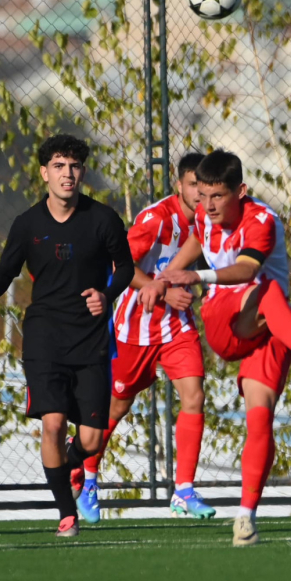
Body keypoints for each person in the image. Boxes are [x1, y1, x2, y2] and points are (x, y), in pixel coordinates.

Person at [144, 149, 291, 546]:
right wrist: (166, 277)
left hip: (271, 329)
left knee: (260, 419)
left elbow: (247, 268)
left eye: (217, 196)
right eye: (202, 195)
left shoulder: (262, 220)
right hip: (227, 321)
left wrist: (193, 273)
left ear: (240, 191)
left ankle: (245, 517)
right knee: (271, 290)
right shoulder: (206, 217)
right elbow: (197, 240)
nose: (206, 205)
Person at [0, 134, 134, 537]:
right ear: (44, 173)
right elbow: (6, 270)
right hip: (44, 338)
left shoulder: (103, 218)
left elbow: (125, 267)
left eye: (74, 166)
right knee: (53, 424)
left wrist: (106, 294)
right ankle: (66, 513)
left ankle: (71, 465)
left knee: (91, 440)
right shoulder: (27, 223)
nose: (67, 174)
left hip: (91, 338)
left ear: (83, 172)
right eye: (59, 166)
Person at [70, 153, 216, 522]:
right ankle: (85, 479)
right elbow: (120, 266)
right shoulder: (155, 218)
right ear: (178, 184)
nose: (200, 193)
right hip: (136, 326)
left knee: (194, 395)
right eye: (192, 184)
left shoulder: (208, 219)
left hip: (177, 327)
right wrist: (162, 289)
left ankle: (183, 490)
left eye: (205, 185)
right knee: (113, 409)